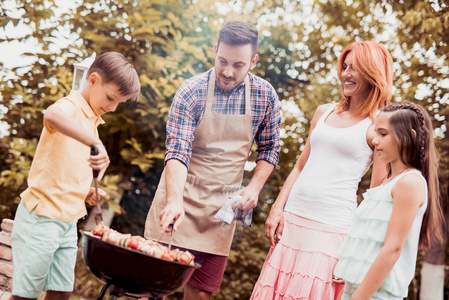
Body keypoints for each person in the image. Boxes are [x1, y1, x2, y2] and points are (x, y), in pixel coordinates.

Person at [144, 20, 281, 300]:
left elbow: (269, 149)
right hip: (179, 199)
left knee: (199, 295)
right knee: (150, 288)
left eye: (239, 65)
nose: (228, 72)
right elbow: (178, 150)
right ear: (215, 49)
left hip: (221, 210)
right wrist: (173, 201)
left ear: (253, 61)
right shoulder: (190, 91)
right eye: (223, 61)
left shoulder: (265, 96)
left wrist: (253, 189)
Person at [250, 41, 394, 300]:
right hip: (292, 221)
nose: (346, 74)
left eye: (355, 69)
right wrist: (277, 207)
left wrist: (359, 249)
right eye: (345, 67)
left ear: (372, 73)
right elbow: (300, 165)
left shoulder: (377, 127)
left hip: (332, 229)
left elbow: (376, 195)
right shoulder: (323, 112)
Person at [10, 52, 141, 300]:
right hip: (42, 217)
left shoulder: (93, 118)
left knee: (61, 292)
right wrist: (95, 141)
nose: (113, 107)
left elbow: (65, 166)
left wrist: (86, 192)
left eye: (119, 103)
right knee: (25, 295)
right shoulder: (70, 106)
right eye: (111, 98)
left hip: (68, 221)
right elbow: (51, 116)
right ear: (92, 80)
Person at [333, 102, 445, 299]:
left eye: (383, 134)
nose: (375, 140)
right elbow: (371, 237)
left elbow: (392, 249)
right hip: (359, 289)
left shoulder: (409, 183)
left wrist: (359, 296)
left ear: (410, 136)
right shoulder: (387, 183)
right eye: (376, 133)